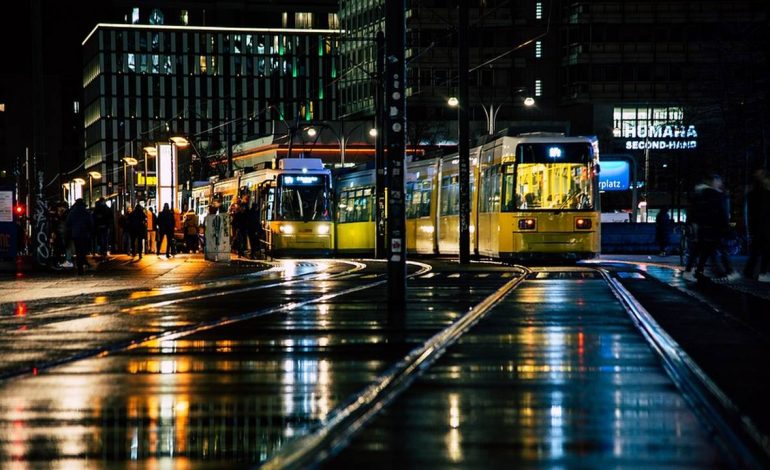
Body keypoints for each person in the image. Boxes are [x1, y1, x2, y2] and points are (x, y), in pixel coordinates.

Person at [691, 174, 739, 282]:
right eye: (718, 181)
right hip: (715, 228)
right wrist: (727, 226)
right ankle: (728, 271)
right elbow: (721, 212)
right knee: (719, 250)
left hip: (707, 228)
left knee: (708, 251)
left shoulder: (702, 194)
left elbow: (699, 213)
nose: (720, 183)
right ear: (714, 181)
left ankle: (700, 271)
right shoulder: (715, 194)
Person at [743, 168, 770, 282]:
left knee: (757, 251)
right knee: (765, 250)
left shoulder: (754, 192)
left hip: (759, 226)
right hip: (764, 226)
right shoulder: (763, 193)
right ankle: (763, 273)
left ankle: (750, 272)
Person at [65, 198, 94, 275]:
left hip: (76, 234)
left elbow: (68, 223)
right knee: (83, 250)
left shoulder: (72, 213)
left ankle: (80, 267)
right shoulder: (86, 212)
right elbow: (91, 223)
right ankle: (83, 262)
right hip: (85, 234)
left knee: (78, 250)